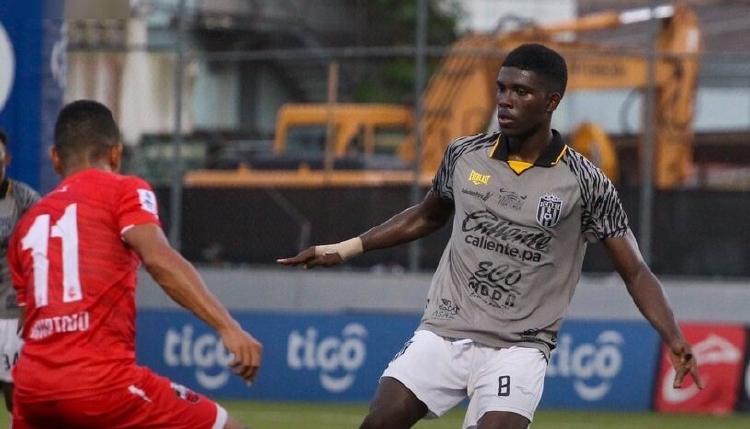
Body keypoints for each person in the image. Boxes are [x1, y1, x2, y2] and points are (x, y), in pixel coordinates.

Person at [278, 43, 703, 429]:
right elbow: (428, 215)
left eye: (521, 92)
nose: (505, 100)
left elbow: (635, 271)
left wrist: (674, 337)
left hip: (519, 347)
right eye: (501, 89)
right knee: (382, 419)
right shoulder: (465, 154)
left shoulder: (585, 181)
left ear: (552, 101)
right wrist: (346, 248)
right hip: (445, 330)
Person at [8, 100, 262, 429]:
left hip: (33, 391)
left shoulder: (28, 224)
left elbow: (28, 323)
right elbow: (159, 259)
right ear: (116, 154)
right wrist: (228, 327)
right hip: (100, 383)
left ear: (55, 158)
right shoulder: (124, 189)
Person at [0, 130, 41, 420]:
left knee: (16, 399)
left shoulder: (24, 199)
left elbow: (41, 250)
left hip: (12, 311)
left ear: (7, 159)